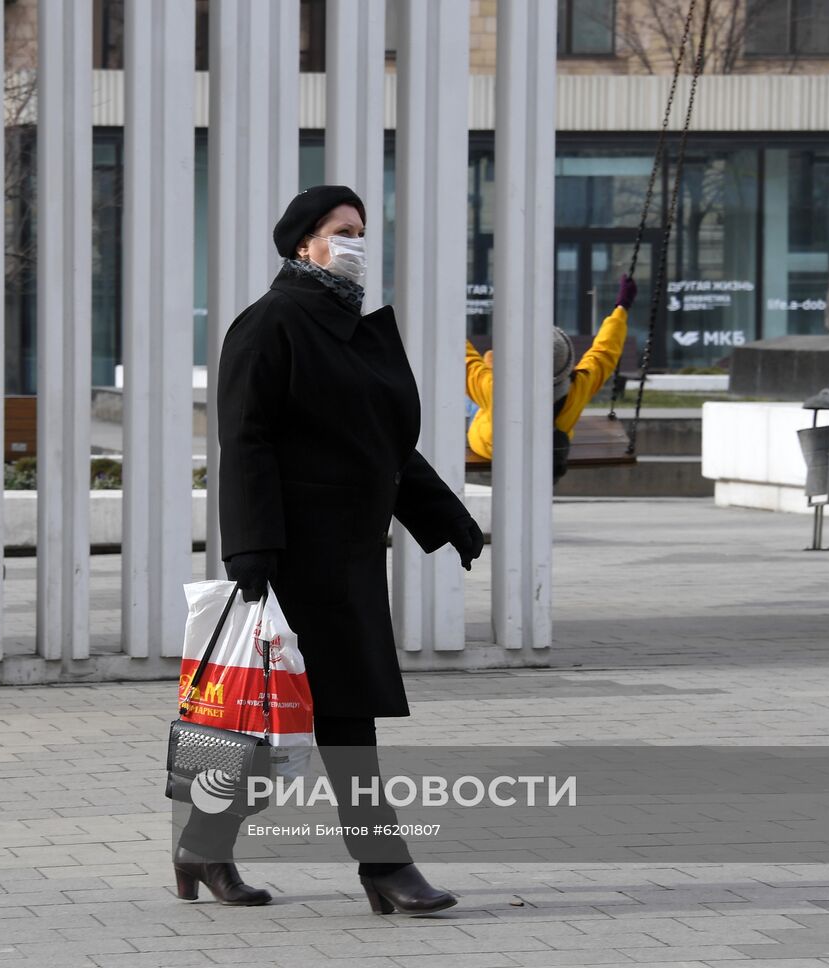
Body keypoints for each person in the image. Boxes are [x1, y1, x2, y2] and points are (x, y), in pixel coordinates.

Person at [179, 185, 485, 913]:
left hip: (347, 555)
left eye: (361, 232)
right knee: (262, 712)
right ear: (301, 245)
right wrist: (249, 553)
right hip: (288, 557)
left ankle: (210, 846)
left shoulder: (344, 327)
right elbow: (243, 442)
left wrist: (448, 519)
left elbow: (384, 448)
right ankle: (380, 867)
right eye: (341, 231)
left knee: (341, 711)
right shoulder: (269, 326)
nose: (355, 244)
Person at [465, 275, 637, 481]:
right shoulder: (578, 387)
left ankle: (494, 363)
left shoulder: (496, 390)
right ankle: (494, 362)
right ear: (566, 367)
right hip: (548, 447)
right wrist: (621, 308)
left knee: (476, 393)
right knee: (486, 369)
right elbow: (604, 353)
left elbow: (466, 361)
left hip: (492, 448)